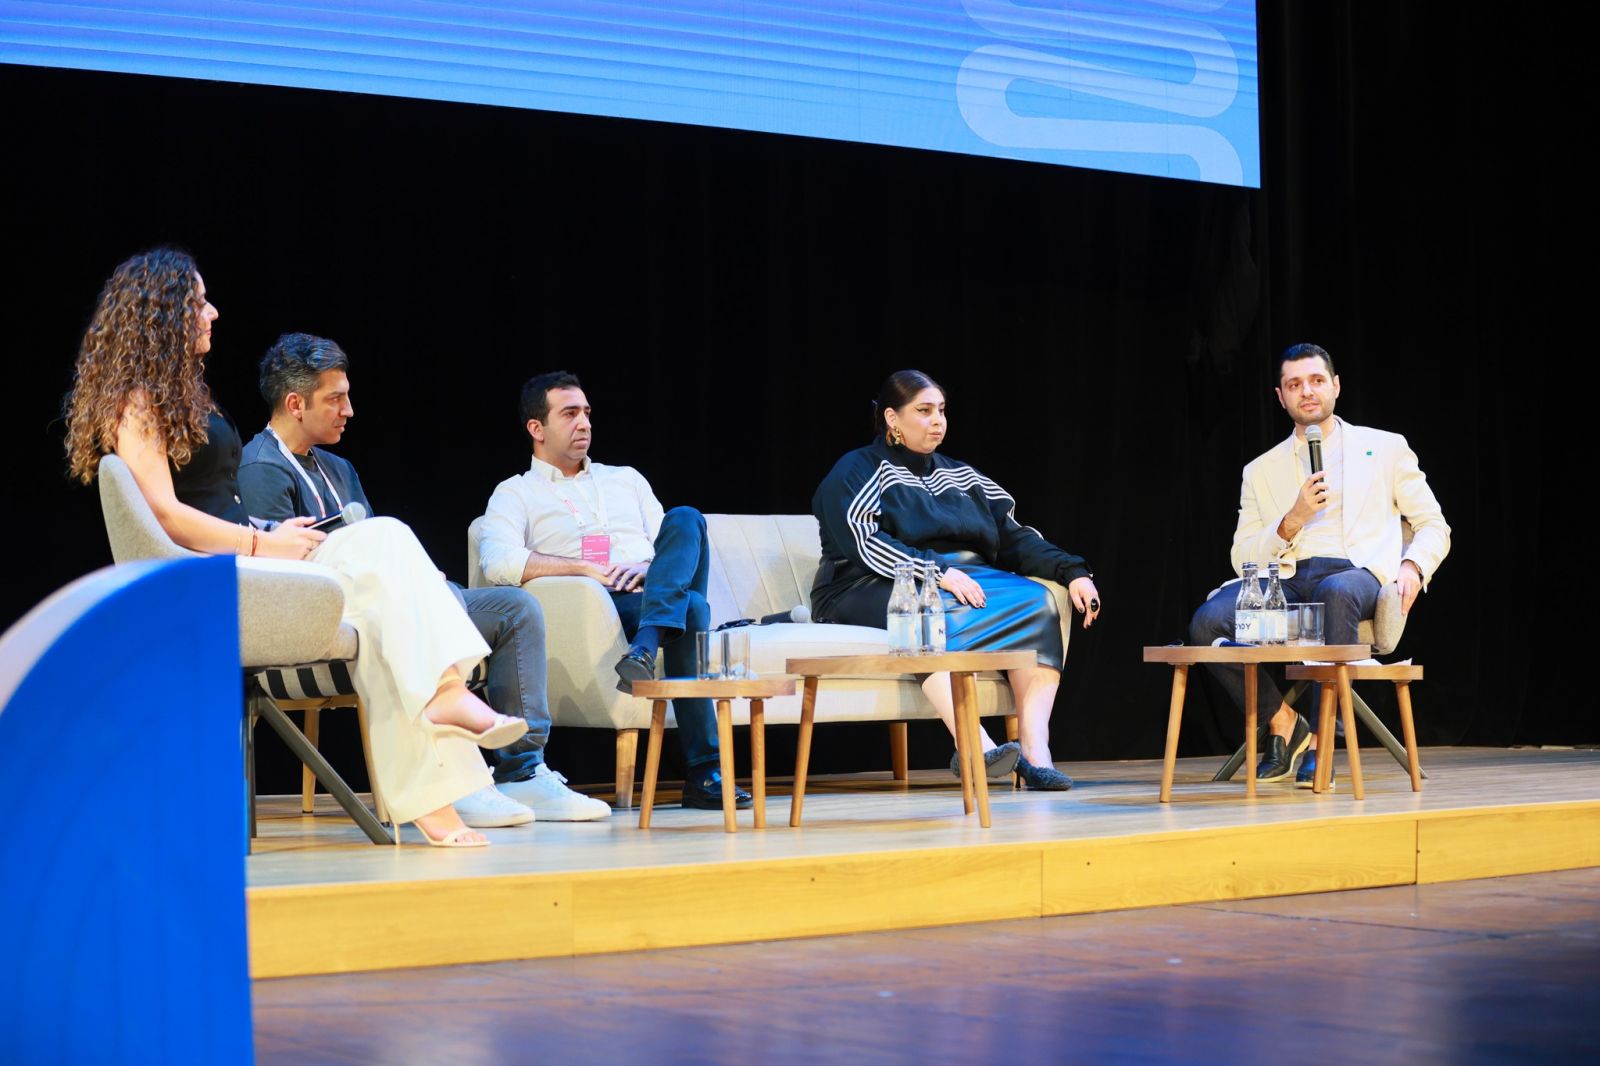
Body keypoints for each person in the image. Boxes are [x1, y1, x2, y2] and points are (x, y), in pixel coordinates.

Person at [63, 248, 527, 847]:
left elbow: (205, 502)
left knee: (385, 610)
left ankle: (436, 789)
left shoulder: (179, 394)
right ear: (162, 312)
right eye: (199, 301)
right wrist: (262, 543)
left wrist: (269, 537)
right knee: (386, 537)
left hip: (244, 560)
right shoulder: (137, 400)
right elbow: (164, 516)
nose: (212, 312)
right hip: (214, 577)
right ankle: (446, 702)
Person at [237, 333, 610, 823]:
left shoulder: (339, 467)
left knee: (514, 608)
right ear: (295, 404)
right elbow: (283, 579)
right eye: (335, 399)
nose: (349, 410)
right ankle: (458, 779)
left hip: (375, 599)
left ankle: (523, 771)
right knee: (433, 602)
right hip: (329, 618)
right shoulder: (262, 466)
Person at [810, 369, 1101, 790]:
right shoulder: (858, 469)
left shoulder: (961, 475)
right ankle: (973, 745)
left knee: (1038, 603)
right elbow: (864, 542)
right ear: (892, 418)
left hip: (960, 579)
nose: (937, 421)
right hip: (864, 584)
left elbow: (1013, 537)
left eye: (941, 411)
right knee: (926, 609)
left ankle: (1035, 752)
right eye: (924, 411)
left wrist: (1071, 570)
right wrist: (938, 573)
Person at [476, 371, 748, 812]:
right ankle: (704, 772)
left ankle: (645, 647)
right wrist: (584, 568)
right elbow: (497, 562)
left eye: (586, 413)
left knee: (687, 518)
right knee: (693, 608)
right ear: (537, 428)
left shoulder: (626, 479)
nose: (584, 423)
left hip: (652, 588)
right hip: (600, 605)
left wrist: (648, 568)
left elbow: (673, 544)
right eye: (569, 414)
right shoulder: (516, 493)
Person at [1188, 342, 1450, 785]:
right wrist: (1291, 521)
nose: (1306, 391)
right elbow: (1241, 556)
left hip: (1356, 574)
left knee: (1336, 591)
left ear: (1336, 386)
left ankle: (1323, 743)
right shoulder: (1260, 470)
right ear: (1281, 397)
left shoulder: (1385, 448)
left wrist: (1413, 567)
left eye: (1316, 381)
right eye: (1294, 385)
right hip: (1287, 581)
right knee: (1206, 622)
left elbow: (1433, 523)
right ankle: (1284, 722)